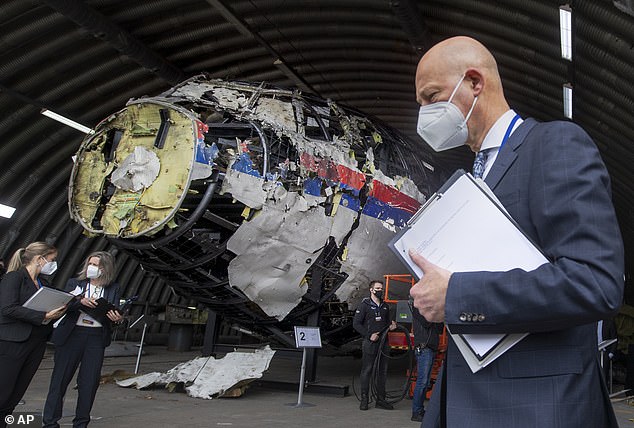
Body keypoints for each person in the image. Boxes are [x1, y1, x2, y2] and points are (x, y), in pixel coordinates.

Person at [409, 36, 624, 427]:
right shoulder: (468, 180)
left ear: (475, 82)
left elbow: (596, 282)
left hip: (537, 408)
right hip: (461, 403)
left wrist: (456, 294)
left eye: (431, 97)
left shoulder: (555, 145)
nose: (422, 113)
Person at [43, 251, 123, 428]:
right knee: (60, 380)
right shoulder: (75, 283)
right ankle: (50, 422)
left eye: (97, 265)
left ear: (106, 269)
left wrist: (117, 319)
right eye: (91, 264)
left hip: (95, 337)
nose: (92, 268)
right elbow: (63, 306)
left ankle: (81, 423)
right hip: (72, 335)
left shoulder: (113, 288)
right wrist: (80, 302)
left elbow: (114, 311)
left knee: (89, 382)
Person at [0, 242, 67, 426]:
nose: (54, 264)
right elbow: (8, 308)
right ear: (39, 259)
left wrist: (55, 313)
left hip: (35, 344)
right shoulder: (14, 278)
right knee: (3, 391)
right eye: (52, 260)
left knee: (16, 393)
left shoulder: (43, 284)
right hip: (12, 343)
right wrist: (43, 315)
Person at [353, 280, 397, 411]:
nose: (380, 290)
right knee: (367, 370)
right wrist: (369, 335)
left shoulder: (385, 306)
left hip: (384, 343)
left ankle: (381, 399)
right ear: (371, 290)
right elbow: (356, 324)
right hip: (370, 343)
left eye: (381, 288)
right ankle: (365, 398)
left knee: (382, 371)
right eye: (377, 288)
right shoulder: (364, 305)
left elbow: (388, 322)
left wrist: (392, 326)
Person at [410, 307, 443, 423]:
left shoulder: (430, 311)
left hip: (431, 347)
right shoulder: (418, 308)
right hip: (424, 349)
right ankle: (416, 412)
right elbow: (426, 322)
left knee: (426, 382)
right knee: (422, 381)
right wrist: (436, 312)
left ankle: (420, 409)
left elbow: (440, 327)